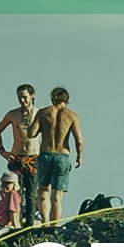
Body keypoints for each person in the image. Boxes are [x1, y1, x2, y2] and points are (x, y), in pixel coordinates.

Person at [28, 86, 84, 226]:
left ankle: (45, 224)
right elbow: (79, 140)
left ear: (53, 98)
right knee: (57, 196)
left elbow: (31, 133)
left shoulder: (43, 112)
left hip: (45, 155)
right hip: (62, 155)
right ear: (67, 99)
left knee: (43, 191)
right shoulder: (72, 115)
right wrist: (79, 156)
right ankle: (55, 225)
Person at [0, 84, 41, 227]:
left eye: (25, 97)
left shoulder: (40, 114)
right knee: (14, 192)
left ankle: (30, 224)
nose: (22, 100)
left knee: (32, 194)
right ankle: (16, 222)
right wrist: (2, 151)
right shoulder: (13, 114)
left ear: (31, 96)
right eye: (19, 97)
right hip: (16, 157)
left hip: (33, 158)